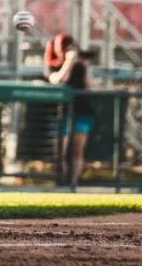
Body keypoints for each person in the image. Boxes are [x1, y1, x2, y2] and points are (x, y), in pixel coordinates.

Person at [47, 35, 95, 190]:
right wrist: (68, 62)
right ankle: (60, 182)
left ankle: (73, 184)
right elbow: (59, 79)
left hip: (81, 110)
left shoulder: (81, 66)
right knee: (59, 150)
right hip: (61, 111)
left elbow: (89, 85)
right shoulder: (53, 64)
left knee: (77, 150)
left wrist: (85, 66)